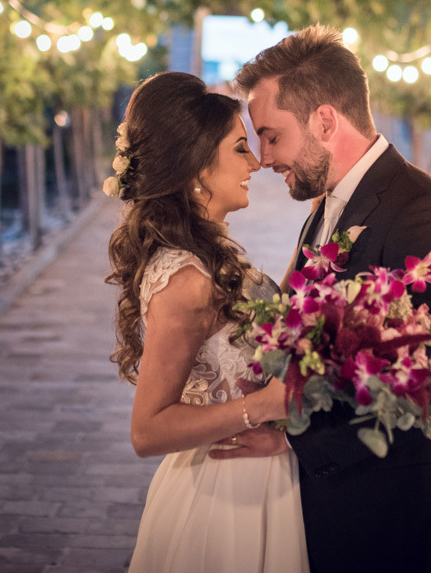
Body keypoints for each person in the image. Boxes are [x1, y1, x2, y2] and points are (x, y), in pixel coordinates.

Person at [221, 25, 431, 573]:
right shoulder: (326, 206)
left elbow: (421, 388)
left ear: (324, 120)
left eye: (272, 135)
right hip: (332, 507)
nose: (265, 157)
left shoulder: (428, 217)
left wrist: (292, 441)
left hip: (392, 514)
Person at [106, 71, 310, 573]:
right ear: (197, 165)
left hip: (260, 479)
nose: (256, 162)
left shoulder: (208, 254)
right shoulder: (186, 280)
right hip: (222, 497)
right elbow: (147, 431)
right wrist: (262, 405)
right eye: (241, 148)